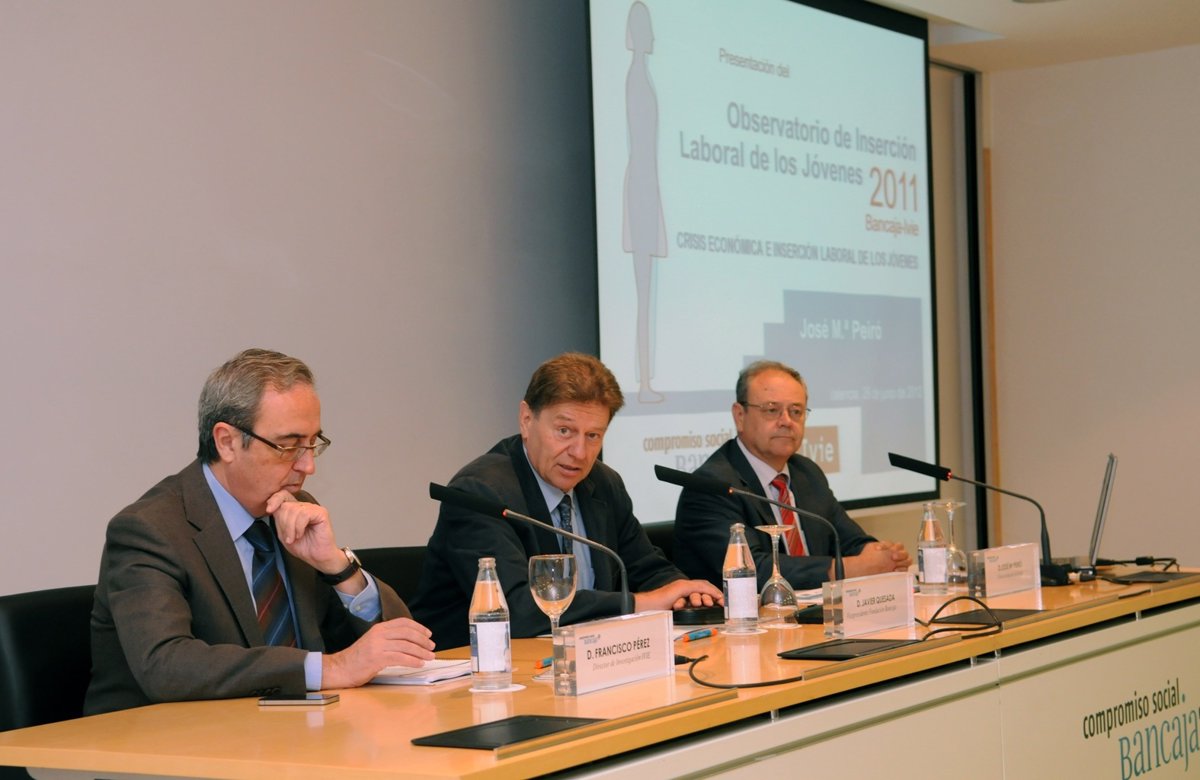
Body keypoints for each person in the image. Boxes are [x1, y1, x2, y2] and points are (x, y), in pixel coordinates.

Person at [85, 349, 435, 715]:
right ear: (226, 442)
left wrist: (336, 567)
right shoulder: (150, 529)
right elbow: (165, 665)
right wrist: (331, 668)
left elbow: (404, 646)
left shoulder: (294, 511)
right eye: (288, 445)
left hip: (292, 731)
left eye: (313, 443)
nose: (308, 465)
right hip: (167, 740)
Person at [412, 352, 721, 649]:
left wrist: (685, 594)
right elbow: (516, 610)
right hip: (476, 671)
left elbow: (644, 566)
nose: (580, 453)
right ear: (526, 419)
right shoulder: (480, 493)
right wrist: (641, 603)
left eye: (593, 436)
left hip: (586, 659)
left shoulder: (602, 483)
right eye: (564, 431)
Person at [673, 360, 912, 591]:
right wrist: (849, 569)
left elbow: (848, 540)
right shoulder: (711, 486)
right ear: (740, 416)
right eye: (772, 410)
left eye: (796, 411)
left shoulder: (806, 472)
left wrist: (882, 555)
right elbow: (753, 571)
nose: (786, 421)